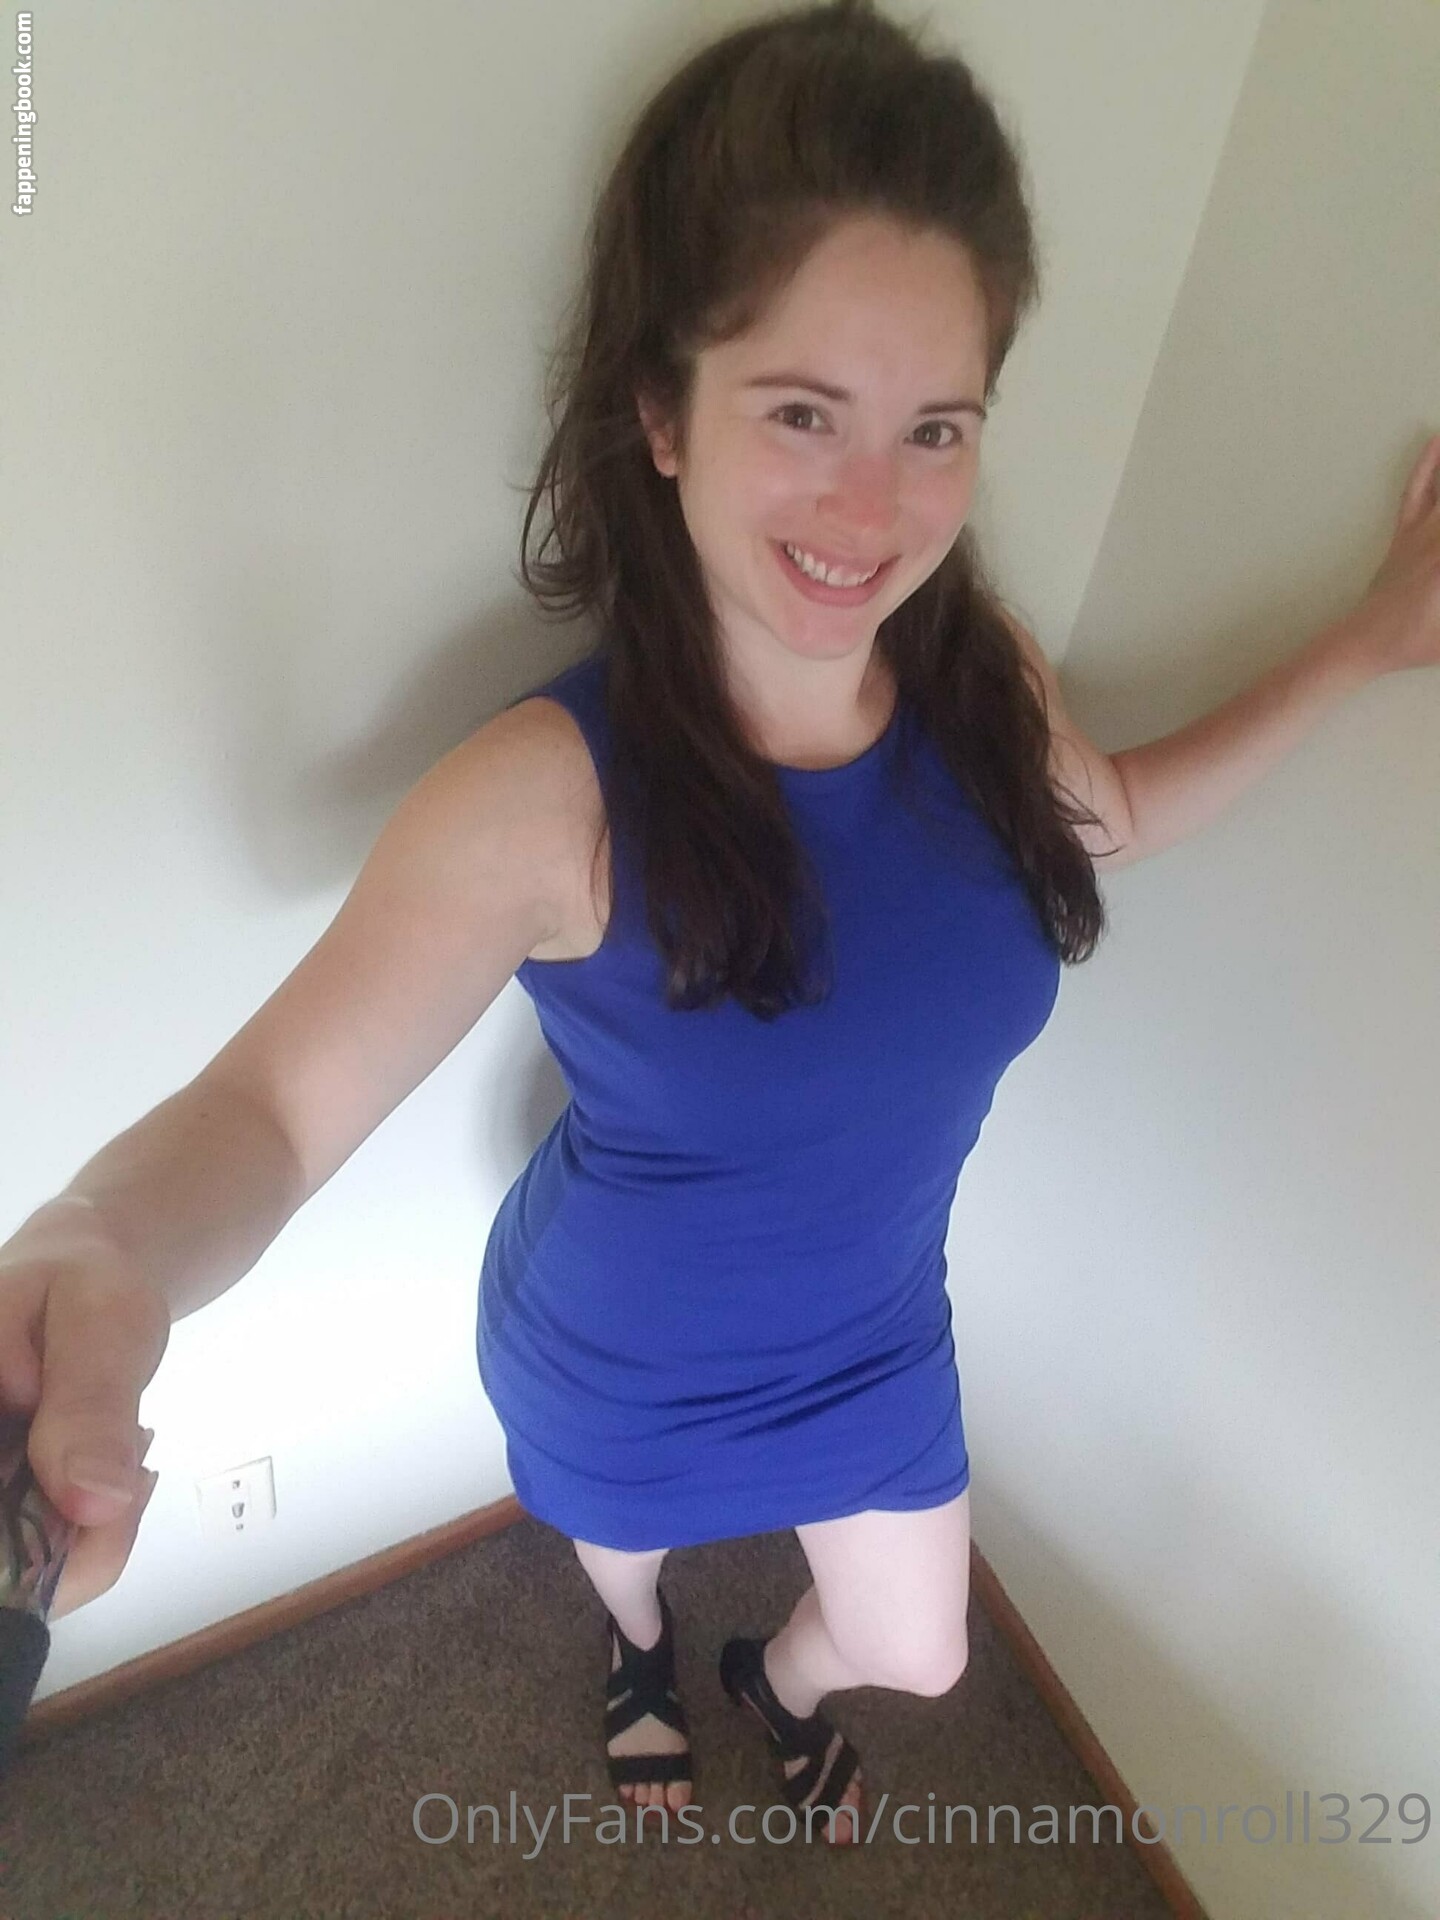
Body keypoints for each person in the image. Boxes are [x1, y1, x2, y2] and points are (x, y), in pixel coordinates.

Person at [2, 0, 1435, 1851]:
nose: (873, 507)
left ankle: (777, 1683)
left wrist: (1368, 639)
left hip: (877, 1337)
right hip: (621, 1354)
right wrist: (99, 1239)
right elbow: (271, 1114)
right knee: (623, 1563)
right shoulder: (548, 793)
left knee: (919, 1651)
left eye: (936, 428)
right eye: (802, 413)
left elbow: (1124, 817)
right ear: (663, 416)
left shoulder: (981, 679)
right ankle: (639, 1651)